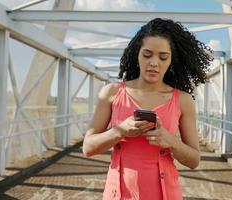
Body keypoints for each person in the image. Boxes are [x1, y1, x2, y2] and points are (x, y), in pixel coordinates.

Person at [82, 18, 212, 200]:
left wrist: (171, 142)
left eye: (163, 57)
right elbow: (87, 148)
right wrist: (120, 131)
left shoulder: (183, 100)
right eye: (147, 54)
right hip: (118, 194)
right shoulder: (111, 92)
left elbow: (194, 160)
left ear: (171, 60)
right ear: (137, 54)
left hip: (166, 194)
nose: (154, 62)